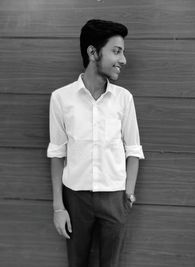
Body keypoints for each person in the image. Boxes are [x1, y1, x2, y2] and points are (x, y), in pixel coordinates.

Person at [47, 19, 144, 267]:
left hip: (115, 198)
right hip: (75, 198)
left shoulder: (124, 99)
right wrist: (59, 207)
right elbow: (57, 153)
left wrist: (128, 195)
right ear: (93, 52)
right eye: (116, 51)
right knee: (76, 262)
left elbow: (133, 149)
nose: (123, 60)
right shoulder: (61, 98)